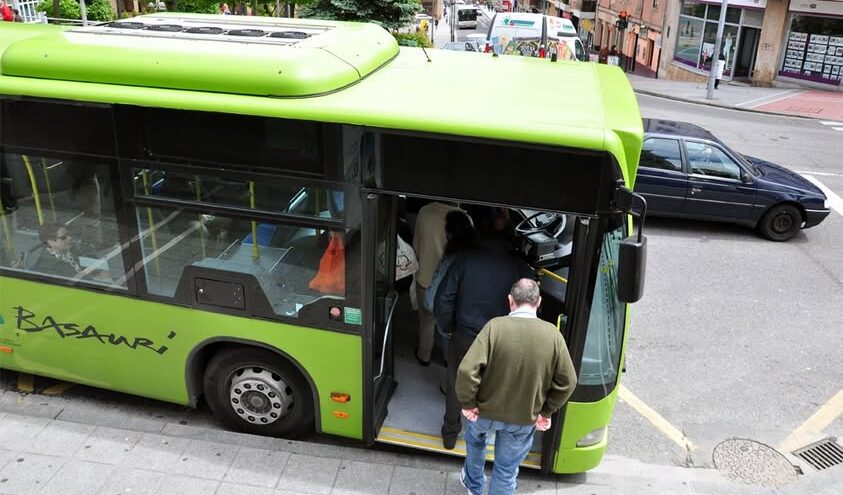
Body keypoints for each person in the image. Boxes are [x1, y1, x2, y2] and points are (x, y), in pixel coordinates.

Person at [456, 278, 577, 495]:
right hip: (523, 418)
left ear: (510, 300)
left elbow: (467, 370)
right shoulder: (553, 335)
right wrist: (546, 411)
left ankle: (474, 486)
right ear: (539, 302)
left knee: (475, 442)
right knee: (506, 469)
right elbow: (568, 381)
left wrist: (468, 402)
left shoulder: (495, 326)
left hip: (483, 411)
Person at [434, 218, 533, 449]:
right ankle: (479, 437)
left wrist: (449, 326)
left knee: (456, 380)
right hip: (501, 338)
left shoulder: (464, 260)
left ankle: (450, 432)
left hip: (465, 334)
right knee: (492, 385)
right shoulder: (519, 268)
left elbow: (444, 297)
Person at [413, 201, 465, 366]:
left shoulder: (424, 212)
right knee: (449, 325)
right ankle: (447, 358)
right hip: (452, 284)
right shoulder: (465, 219)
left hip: (426, 276)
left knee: (426, 321)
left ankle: (424, 355)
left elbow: (416, 245)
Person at [424, 210, 475, 362]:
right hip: (474, 321)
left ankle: (448, 385)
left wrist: (443, 321)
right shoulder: (479, 256)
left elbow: (432, 298)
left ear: (450, 234)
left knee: (452, 361)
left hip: (453, 324)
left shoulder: (451, 260)